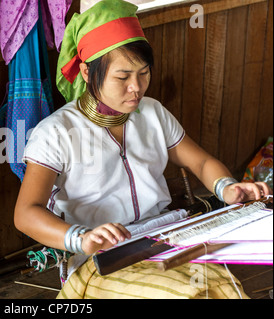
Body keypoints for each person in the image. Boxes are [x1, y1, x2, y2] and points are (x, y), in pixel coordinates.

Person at [14, 0, 272, 299]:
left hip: (167, 240)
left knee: (218, 289)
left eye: (144, 73)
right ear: (86, 72)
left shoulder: (152, 114)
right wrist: (81, 238)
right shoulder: (57, 132)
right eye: (122, 77)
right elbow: (26, 213)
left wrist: (227, 188)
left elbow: (200, 162)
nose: (136, 87)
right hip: (102, 259)